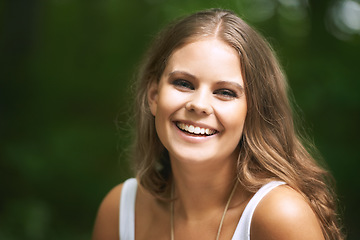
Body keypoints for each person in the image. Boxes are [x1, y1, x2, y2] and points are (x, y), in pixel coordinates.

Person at [92, 8, 344, 240]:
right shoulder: (118, 210)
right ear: (154, 96)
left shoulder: (280, 215)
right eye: (183, 83)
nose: (199, 104)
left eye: (225, 92)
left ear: (253, 111)